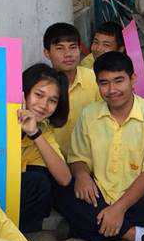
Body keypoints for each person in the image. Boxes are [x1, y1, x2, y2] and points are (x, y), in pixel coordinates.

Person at [54, 51, 144, 241]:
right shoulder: (89, 114)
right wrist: (82, 175)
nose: (112, 89)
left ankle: (83, 227)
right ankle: (132, 233)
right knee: (59, 187)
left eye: (119, 81)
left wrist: (119, 208)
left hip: (138, 197)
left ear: (133, 79)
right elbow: (77, 158)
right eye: (104, 83)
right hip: (97, 195)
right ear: (97, 84)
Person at [19, 64, 72, 232]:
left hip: (16, 190)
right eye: (39, 95)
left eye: (52, 101)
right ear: (24, 93)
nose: (44, 105)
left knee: (42, 180)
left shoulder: (43, 128)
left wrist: (34, 133)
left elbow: (65, 178)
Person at [43, 22, 101, 154]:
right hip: (52, 159)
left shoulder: (95, 79)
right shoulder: (41, 87)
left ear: (80, 49)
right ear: (47, 53)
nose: (68, 54)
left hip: (89, 157)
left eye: (73, 47)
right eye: (60, 48)